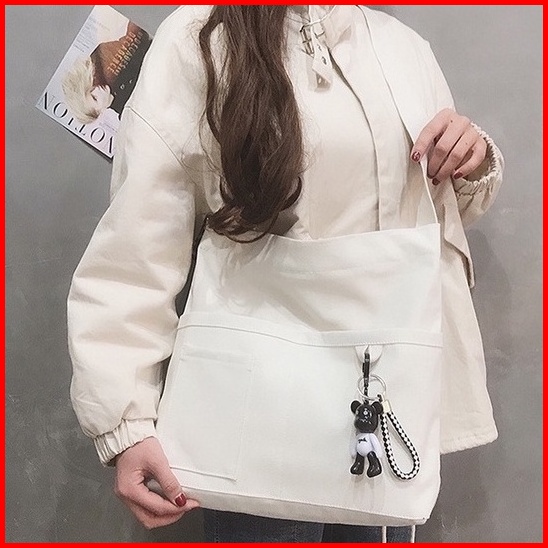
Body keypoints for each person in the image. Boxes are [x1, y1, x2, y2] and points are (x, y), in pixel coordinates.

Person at [67, 5, 504, 543]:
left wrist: (468, 159)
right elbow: (139, 242)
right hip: (259, 416)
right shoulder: (203, 36)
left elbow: (420, 218)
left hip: (377, 412)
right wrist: (126, 421)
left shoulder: (402, 47)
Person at [62, 21, 151, 124]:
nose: (97, 89)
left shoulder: (104, 67)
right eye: (95, 98)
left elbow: (136, 34)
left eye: (91, 87)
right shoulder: (127, 112)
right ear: (100, 111)